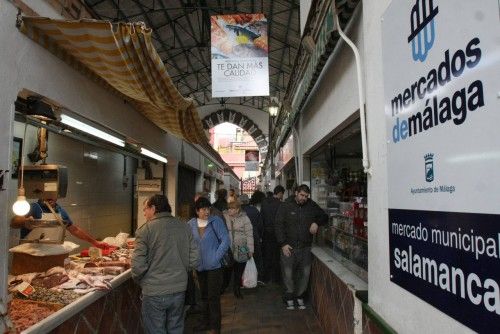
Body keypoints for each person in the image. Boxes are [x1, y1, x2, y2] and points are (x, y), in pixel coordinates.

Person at [132, 194, 199, 334]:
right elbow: (194, 259)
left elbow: (138, 267)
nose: (144, 213)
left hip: (154, 291)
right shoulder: (184, 226)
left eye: (145, 209)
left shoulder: (145, 230)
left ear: (154, 208)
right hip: (179, 290)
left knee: (156, 330)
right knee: (176, 328)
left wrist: (143, 282)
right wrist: (180, 272)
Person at [275, 184, 328, 310]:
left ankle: (300, 296)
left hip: (305, 247)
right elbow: (278, 225)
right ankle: (289, 297)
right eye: (302, 195)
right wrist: (283, 243)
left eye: (306, 196)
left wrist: (316, 222)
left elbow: (324, 216)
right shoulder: (285, 206)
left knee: (304, 273)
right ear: (296, 193)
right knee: (288, 273)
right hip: (289, 247)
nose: (304, 198)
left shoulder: (311, 205)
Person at [188, 197, 230, 334]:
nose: (207, 212)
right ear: (196, 211)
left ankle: (215, 327)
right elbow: (188, 244)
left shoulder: (215, 221)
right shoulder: (191, 224)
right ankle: (205, 323)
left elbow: (225, 240)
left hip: (214, 267)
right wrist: (192, 260)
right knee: (203, 297)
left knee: (213, 297)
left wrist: (215, 258)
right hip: (199, 267)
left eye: (208, 209)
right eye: (203, 209)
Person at [11, 198, 109, 249]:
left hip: (51, 255)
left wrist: (95, 242)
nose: (50, 198)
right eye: (47, 194)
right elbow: (13, 222)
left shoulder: (61, 211)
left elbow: (75, 230)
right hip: (29, 255)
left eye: (52, 195)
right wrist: (24, 222)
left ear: (57, 195)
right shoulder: (32, 207)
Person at [223, 200, 253, 299]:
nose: (230, 210)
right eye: (229, 208)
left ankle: (237, 289)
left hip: (242, 247)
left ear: (238, 209)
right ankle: (225, 286)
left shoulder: (245, 218)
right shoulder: (224, 217)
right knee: (227, 269)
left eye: (232, 208)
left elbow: (249, 234)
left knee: (239, 270)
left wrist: (251, 249)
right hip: (228, 247)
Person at [260, 185, 285, 284]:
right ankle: (277, 279)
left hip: (266, 233)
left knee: (267, 256)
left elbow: (261, 217)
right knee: (276, 256)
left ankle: (265, 277)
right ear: (280, 193)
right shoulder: (280, 204)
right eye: (282, 194)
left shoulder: (264, 202)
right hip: (276, 233)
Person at [239, 194, 264, 284]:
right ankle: (258, 278)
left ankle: (242, 279)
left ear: (240, 201)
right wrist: (260, 236)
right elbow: (260, 225)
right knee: (257, 258)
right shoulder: (255, 210)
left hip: (242, 240)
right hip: (254, 238)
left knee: (242, 258)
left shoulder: (239, 211)